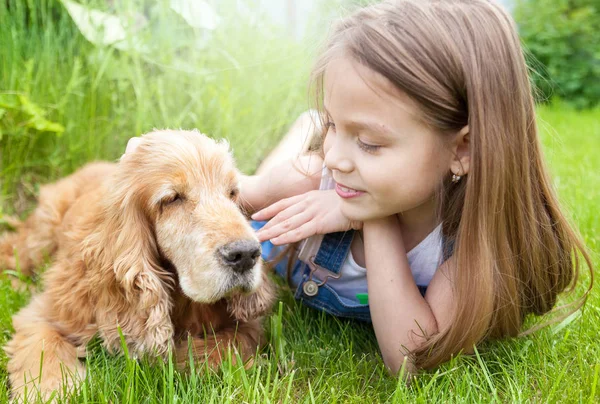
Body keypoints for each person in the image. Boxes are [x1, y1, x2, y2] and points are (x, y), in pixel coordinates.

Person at [126, 0, 593, 375]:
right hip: (294, 180)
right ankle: (308, 125)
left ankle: (312, 124)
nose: (337, 158)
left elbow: (409, 360)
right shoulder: (313, 175)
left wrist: (371, 215)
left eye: (369, 142)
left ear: (462, 150)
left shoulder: (464, 249)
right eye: (335, 125)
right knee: (292, 170)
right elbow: (228, 197)